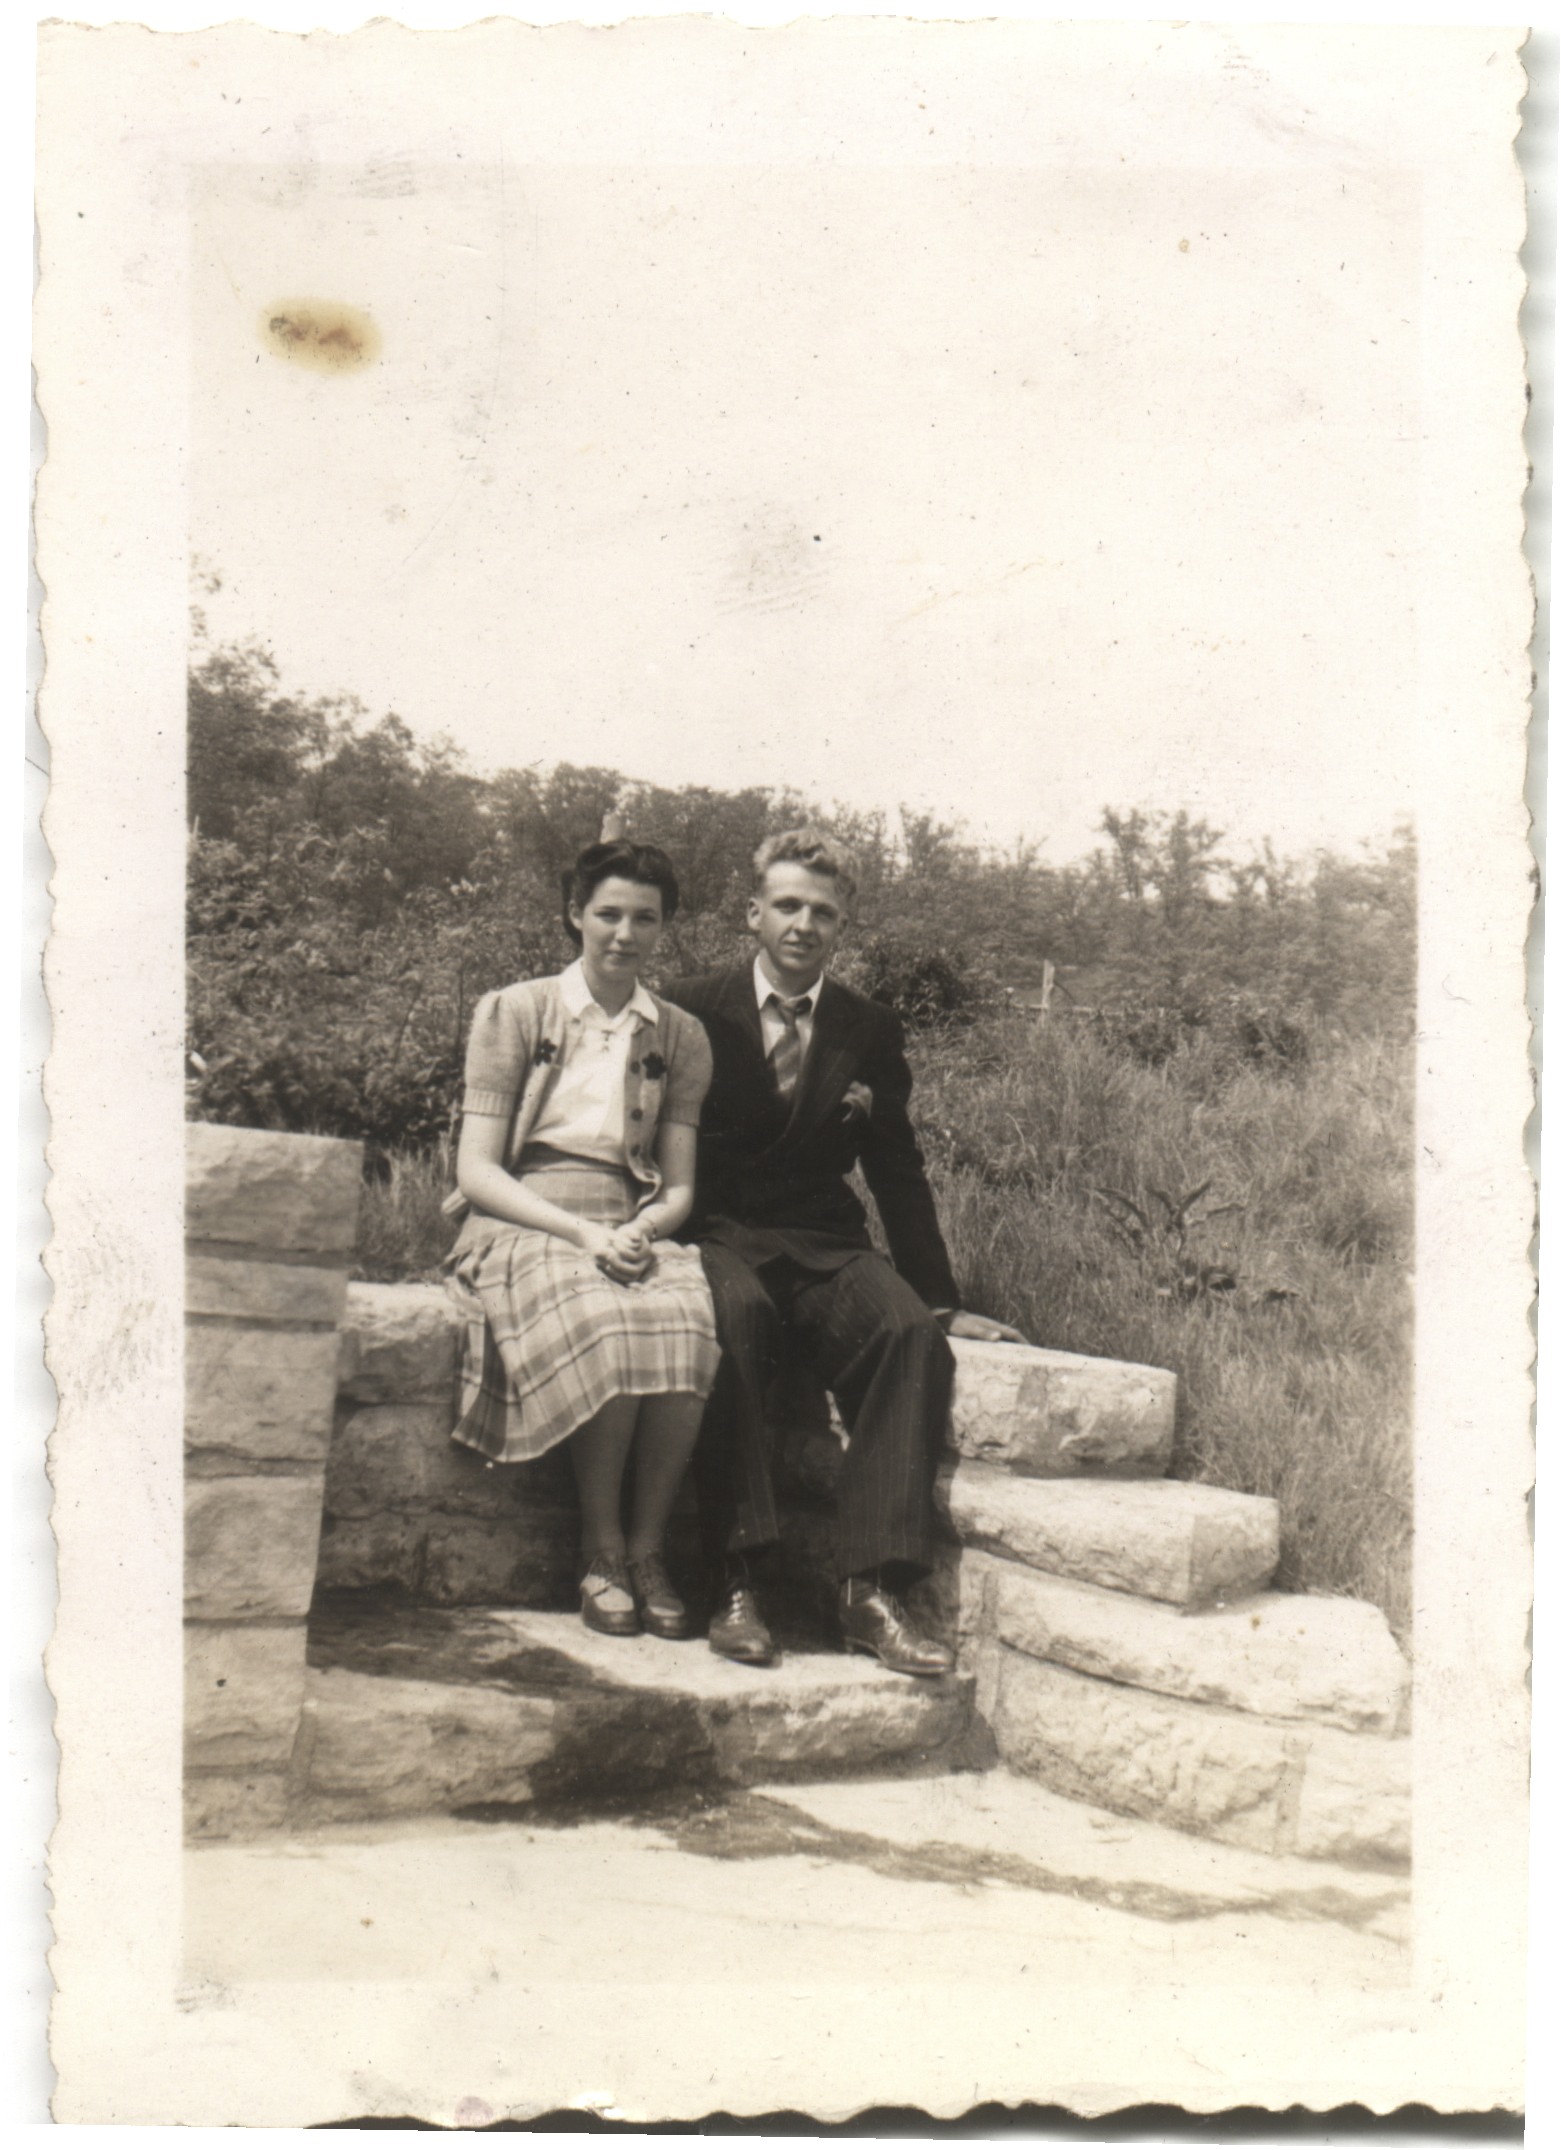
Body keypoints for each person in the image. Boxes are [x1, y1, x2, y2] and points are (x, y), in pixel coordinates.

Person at [661, 828, 1025, 1676]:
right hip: (716, 1232)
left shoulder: (868, 1027)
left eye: (822, 912)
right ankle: (735, 1579)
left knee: (907, 1336)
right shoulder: (688, 1008)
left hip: (823, 1240)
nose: (803, 924)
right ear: (753, 913)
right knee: (735, 1321)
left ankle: (870, 1591)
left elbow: (896, 1167)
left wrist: (939, 1298)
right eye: (787, 905)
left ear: (842, 925)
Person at [445, 840, 720, 1643]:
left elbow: (678, 1188)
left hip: (627, 1218)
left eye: (645, 919)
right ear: (575, 915)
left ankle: (647, 1550)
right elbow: (476, 1170)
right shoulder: (516, 1010)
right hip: (522, 1215)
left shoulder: (680, 1035)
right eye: (608, 914)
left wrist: (637, 1230)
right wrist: (580, 1233)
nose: (624, 934)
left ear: (663, 927)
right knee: (605, 1320)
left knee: (687, 1321)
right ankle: (600, 1550)